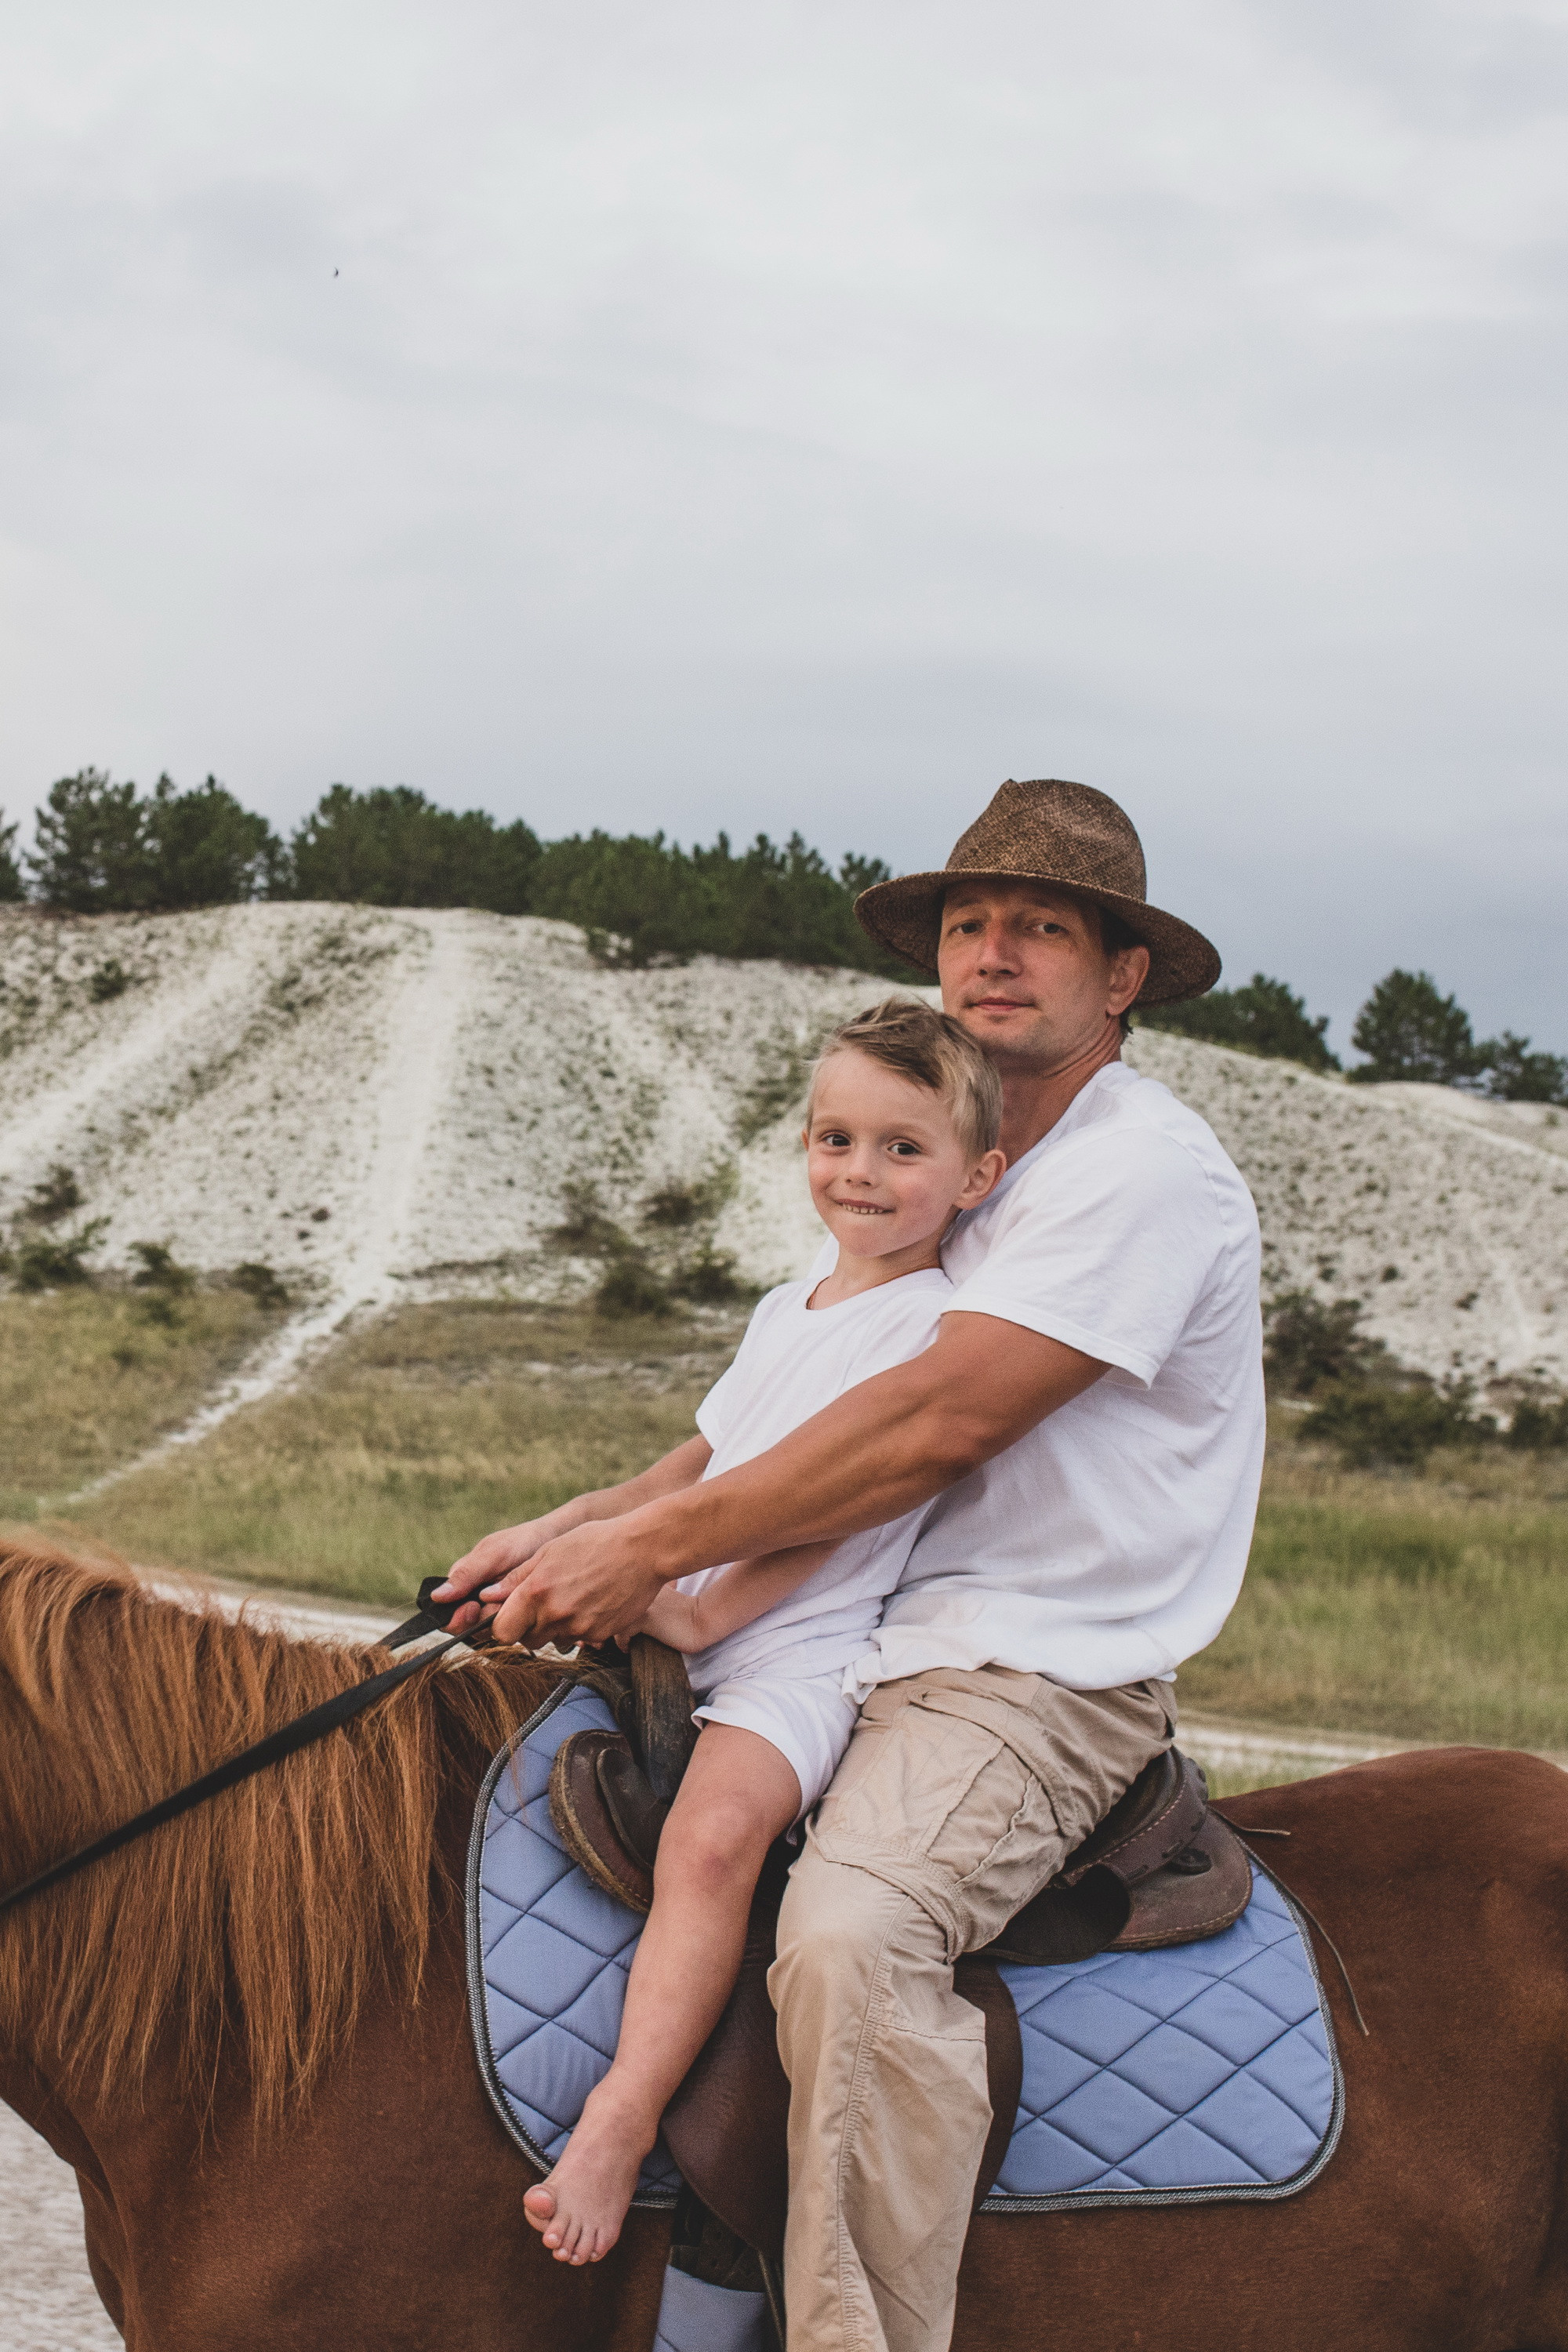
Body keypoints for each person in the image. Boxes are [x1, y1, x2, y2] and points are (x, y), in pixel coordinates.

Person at [437, 778, 1266, 2352]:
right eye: (969, 924)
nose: (994, 952)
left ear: (1124, 976)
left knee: (848, 1938)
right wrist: (569, 1533)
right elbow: (770, 1427)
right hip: (849, 1615)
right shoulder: (949, 1171)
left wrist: (653, 1561)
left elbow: (933, 1423)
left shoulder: (1135, 1172)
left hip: (1024, 1665)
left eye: (1040, 927)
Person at [500, 1000, 1004, 2267]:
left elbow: (846, 1507)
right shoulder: (796, 1306)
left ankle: (622, 2114)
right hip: (689, 1615)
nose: (862, 1173)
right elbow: (710, 1460)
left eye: (903, 1149)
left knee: (714, 1840)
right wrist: (561, 1534)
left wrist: (702, 1608)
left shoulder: (927, 1329)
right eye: (838, 1139)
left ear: (976, 1176)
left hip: (797, 1653)